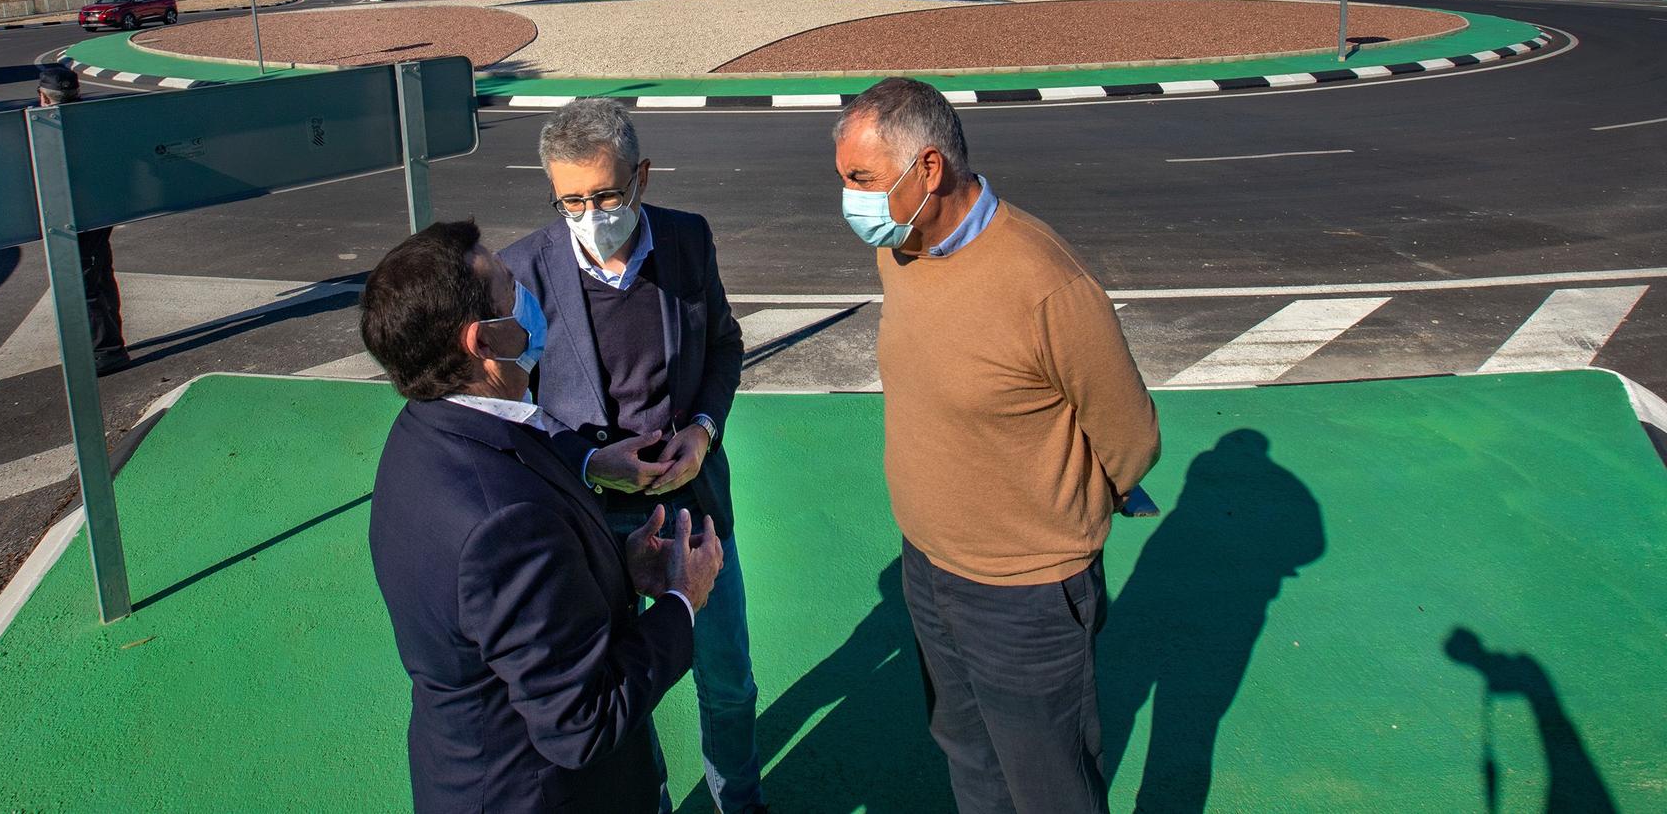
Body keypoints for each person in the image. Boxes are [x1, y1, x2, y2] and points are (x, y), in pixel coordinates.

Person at [831, 77, 1160, 814]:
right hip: (927, 569)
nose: (849, 200)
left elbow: (1131, 438)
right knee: (969, 758)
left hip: (1028, 594)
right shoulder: (901, 248)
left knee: (1050, 788)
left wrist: (1052, 514)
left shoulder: (1046, 285)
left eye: (861, 179)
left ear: (929, 170)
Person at [364, 219, 726, 813]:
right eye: (513, 289)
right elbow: (582, 723)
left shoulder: (430, 434)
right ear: (484, 342)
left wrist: (615, 565)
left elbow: (505, 613)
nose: (531, 298)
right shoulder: (502, 523)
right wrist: (682, 600)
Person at [499, 99, 769, 814]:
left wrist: (705, 428)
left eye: (607, 194)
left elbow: (723, 344)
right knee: (620, 692)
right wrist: (594, 464)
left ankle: (738, 802)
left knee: (729, 678)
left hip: (692, 509)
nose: (590, 213)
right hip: (590, 521)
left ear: (642, 176)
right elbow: (513, 408)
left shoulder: (687, 240)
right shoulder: (520, 270)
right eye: (572, 199)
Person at [36, 64, 127, 374]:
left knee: (87, 282)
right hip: (101, 212)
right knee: (100, 272)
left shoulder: (46, 127)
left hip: (73, 216)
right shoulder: (93, 122)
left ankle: (106, 351)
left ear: (44, 97)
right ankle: (109, 341)